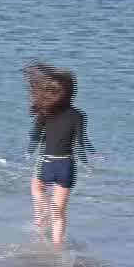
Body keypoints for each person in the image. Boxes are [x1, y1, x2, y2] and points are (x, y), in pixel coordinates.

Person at [25, 64, 95, 247]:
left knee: (37, 188)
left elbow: (34, 137)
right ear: (72, 92)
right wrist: (90, 158)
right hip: (67, 166)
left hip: (47, 162)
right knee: (60, 211)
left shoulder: (44, 113)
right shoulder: (79, 115)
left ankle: (41, 215)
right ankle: (57, 247)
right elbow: (81, 142)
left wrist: (30, 149)